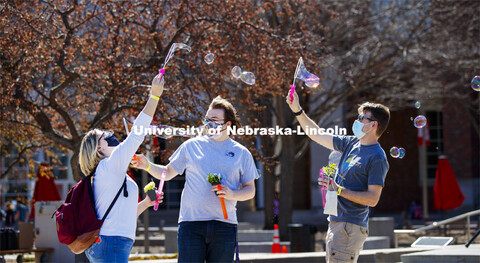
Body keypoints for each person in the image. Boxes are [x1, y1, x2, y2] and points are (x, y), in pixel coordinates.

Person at [131, 96, 258, 263]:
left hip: (225, 226)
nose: (208, 124)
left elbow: (250, 190)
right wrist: (146, 165)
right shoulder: (191, 146)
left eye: (214, 120)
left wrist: (232, 194)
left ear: (228, 124)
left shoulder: (242, 153)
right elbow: (168, 173)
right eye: (206, 119)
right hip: (191, 224)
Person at [286, 90, 390, 262]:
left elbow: (372, 199)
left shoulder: (377, 157)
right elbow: (316, 134)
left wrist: (339, 190)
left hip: (349, 226)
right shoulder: (351, 143)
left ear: (374, 125)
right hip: (338, 222)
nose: (356, 121)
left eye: (362, 118)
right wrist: (297, 110)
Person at [78, 73, 165, 263]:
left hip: (111, 241)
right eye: (105, 135)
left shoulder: (109, 171)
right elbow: (136, 135)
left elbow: (121, 214)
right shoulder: (109, 166)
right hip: (111, 242)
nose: (111, 135)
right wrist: (154, 96)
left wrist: (146, 203)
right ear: (99, 148)